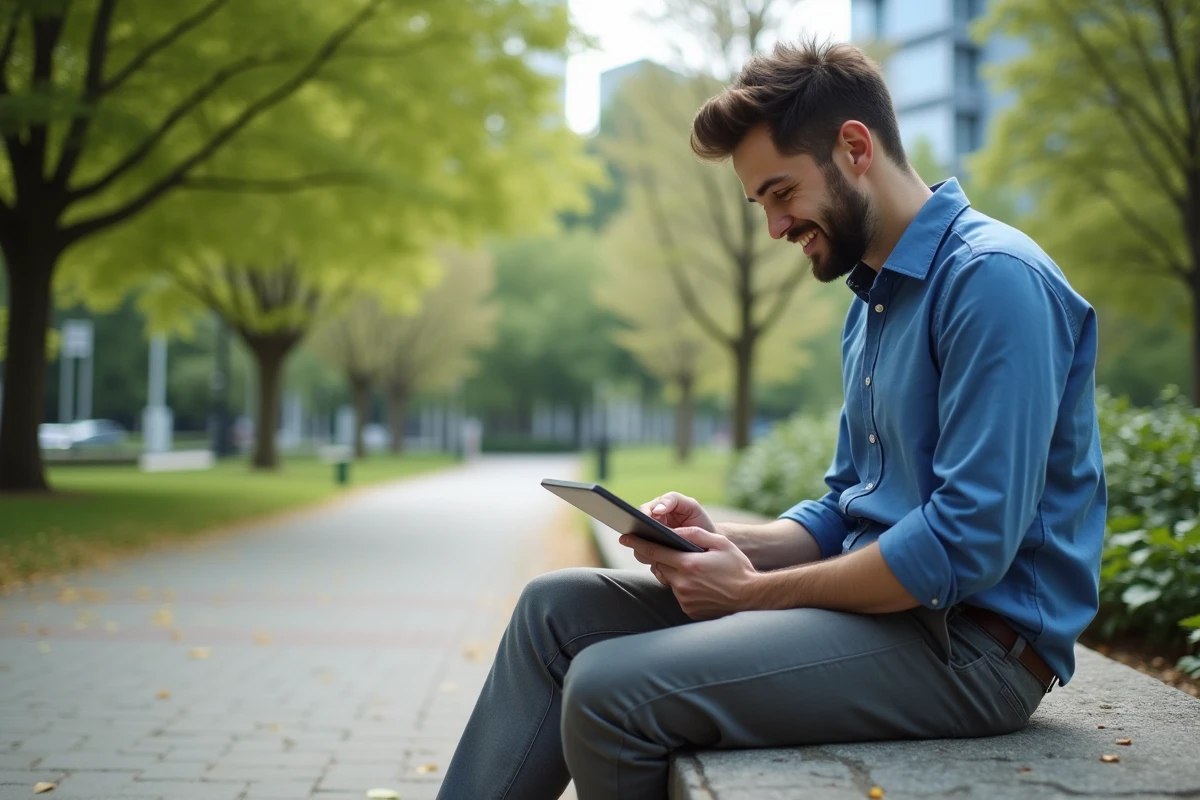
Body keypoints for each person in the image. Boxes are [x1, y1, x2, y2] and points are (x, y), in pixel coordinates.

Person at [437, 39, 1106, 800]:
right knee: (552, 611)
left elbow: (965, 544)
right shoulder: (875, 301)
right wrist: (730, 544)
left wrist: (749, 592)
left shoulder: (993, 281)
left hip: (971, 650)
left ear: (854, 147)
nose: (776, 228)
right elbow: (845, 506)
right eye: (761, 204)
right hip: (887, 622)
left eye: (782, 193)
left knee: (607, 690)